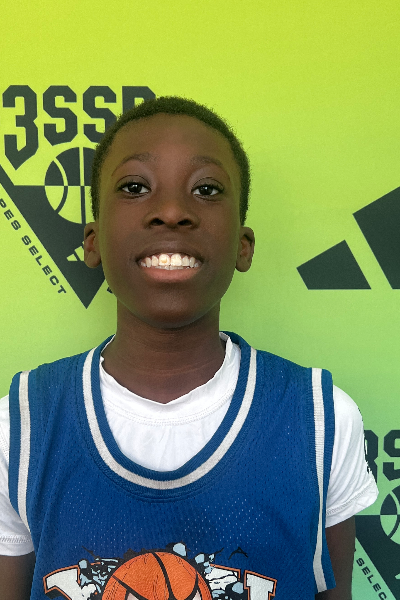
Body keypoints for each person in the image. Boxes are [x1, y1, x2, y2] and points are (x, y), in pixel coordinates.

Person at [0, 97, 378, 600]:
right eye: (135, 188)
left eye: (206, 189)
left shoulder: (320, 421)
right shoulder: (20, 428)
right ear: (92, 241)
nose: (172, 212)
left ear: (243, 245)